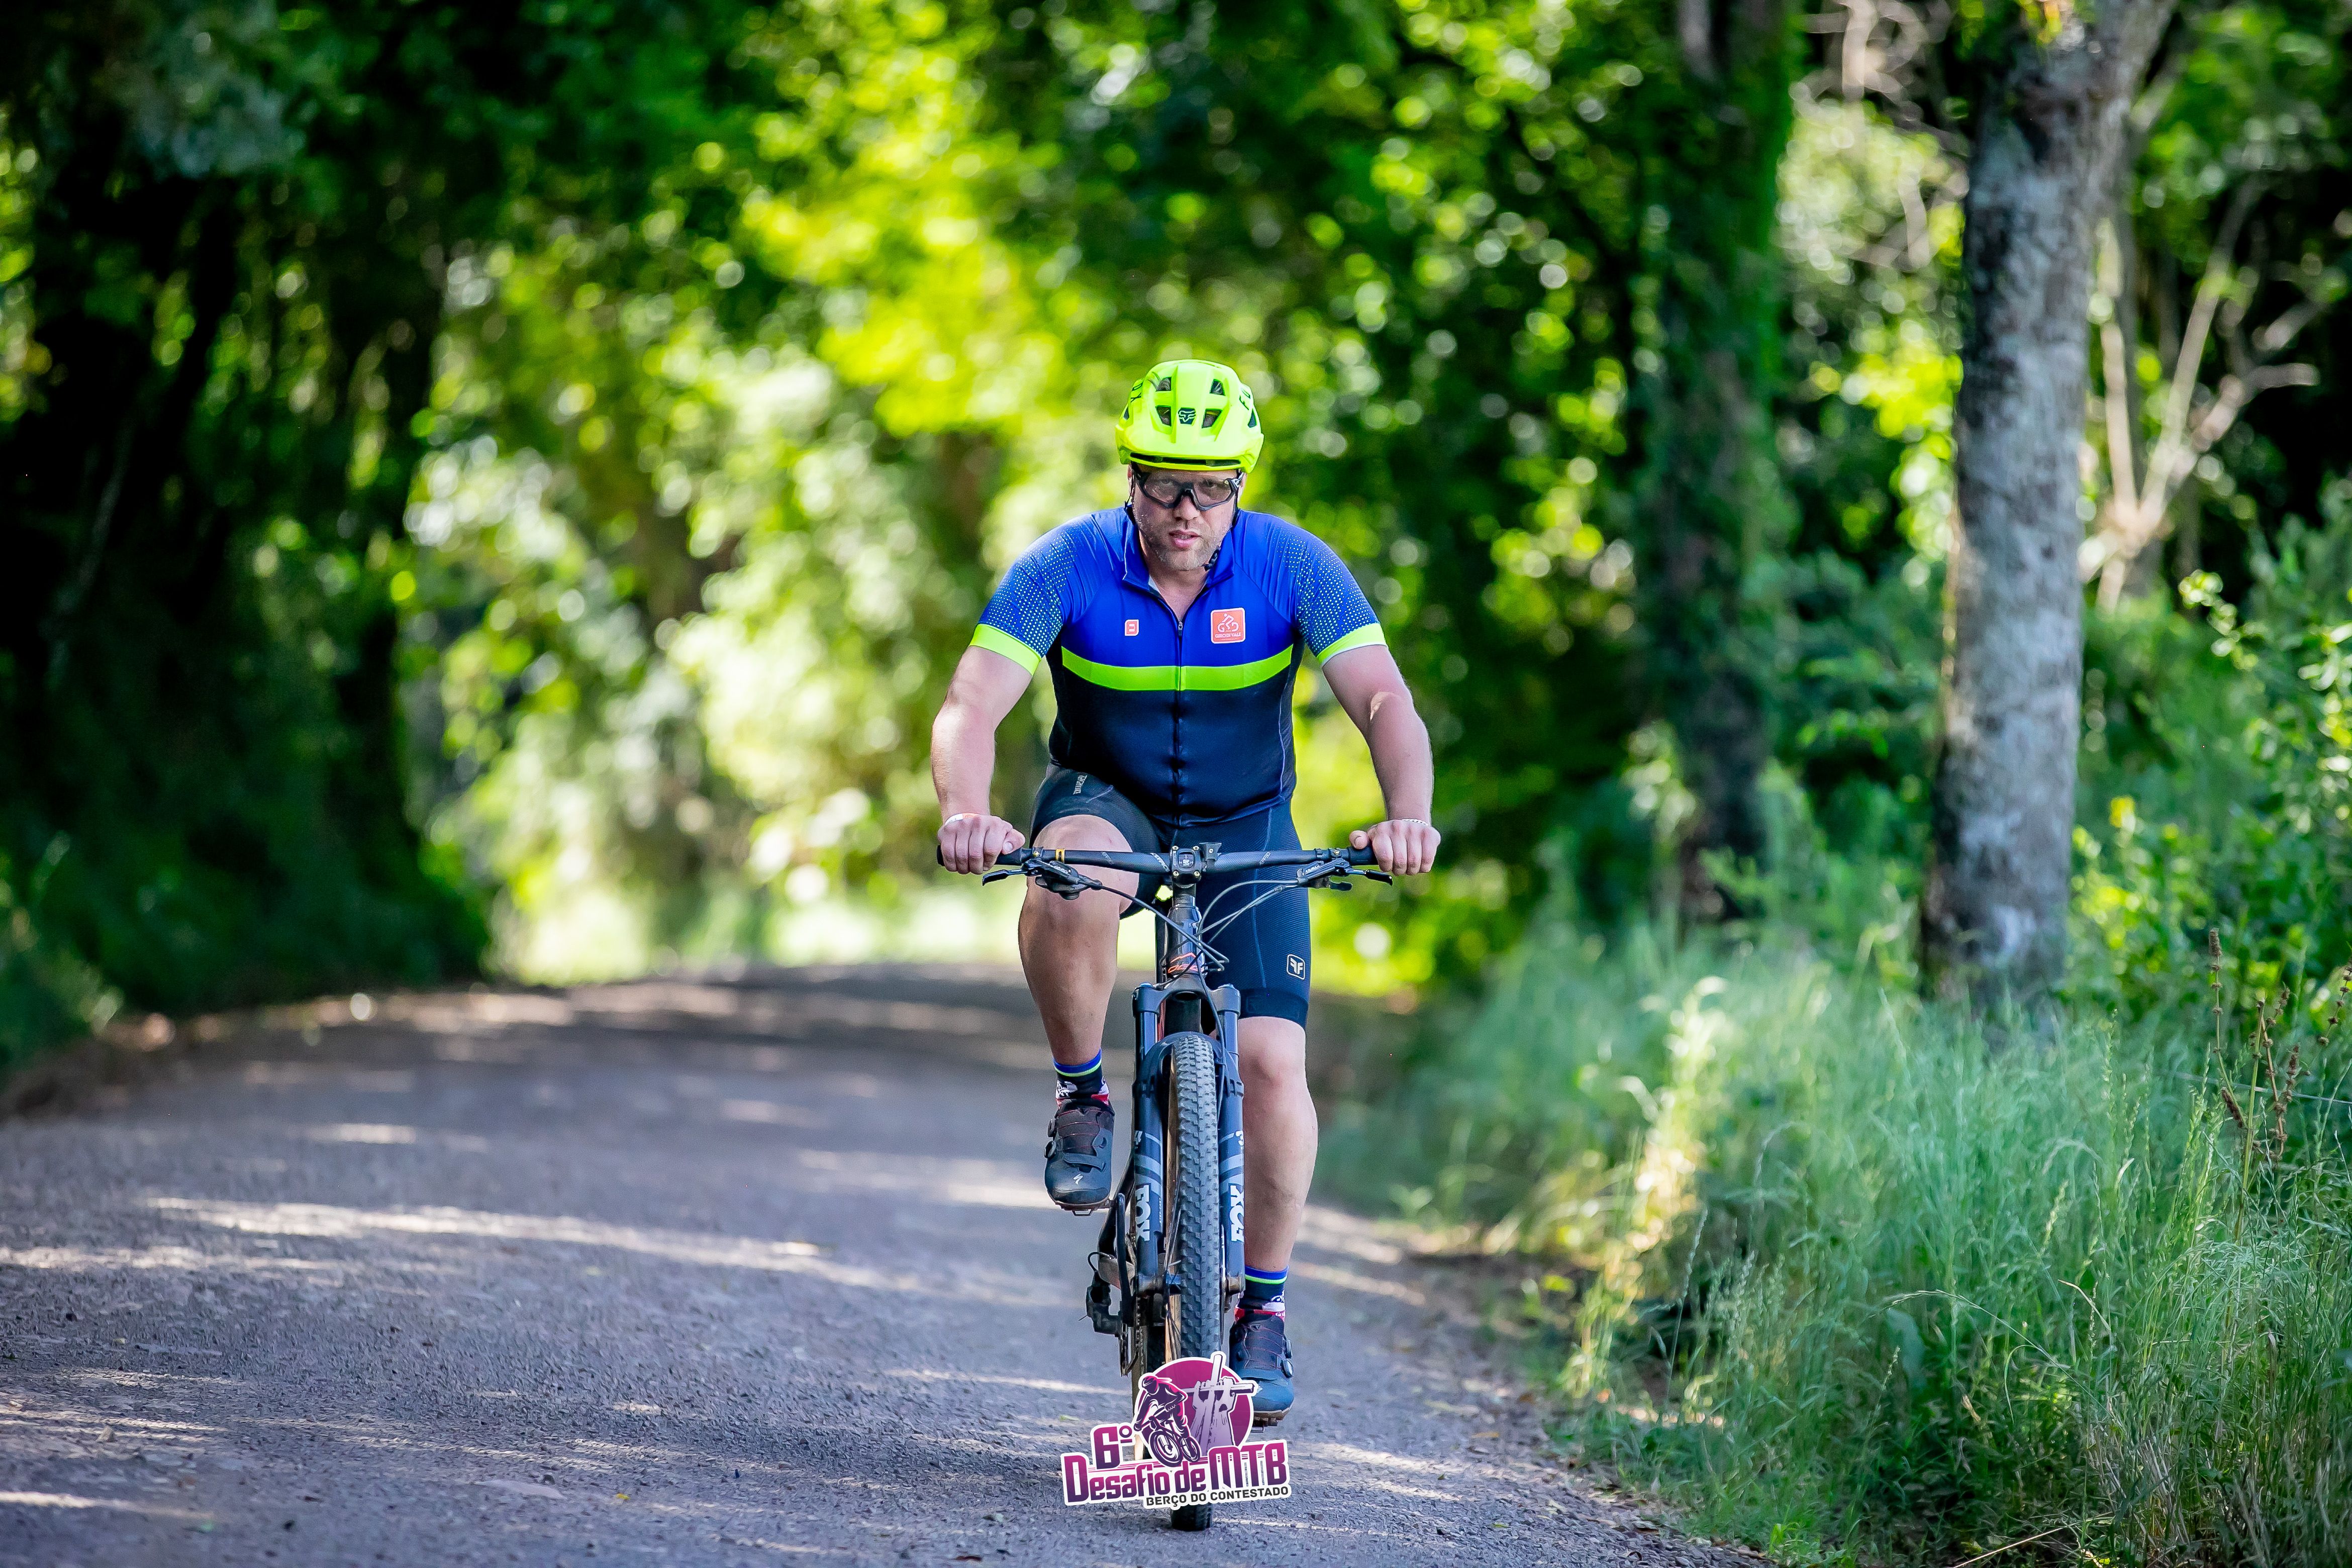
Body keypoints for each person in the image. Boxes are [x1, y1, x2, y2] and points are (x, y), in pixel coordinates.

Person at [929, 358, 1439, 1425]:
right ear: (1132, 479)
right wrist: (967, 811)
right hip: (1104, 803)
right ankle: (1083, 1097)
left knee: (1273, 1062)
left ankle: (1264, 1309)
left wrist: (1407, 816)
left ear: (1240, 485)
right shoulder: (1066, 564)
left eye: (1211, 487)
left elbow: (1385, 699)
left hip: (1246, 825)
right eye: (1165, 484)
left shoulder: (1292, 566)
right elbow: (972, 702)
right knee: (1069, 883)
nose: (1187, 511)